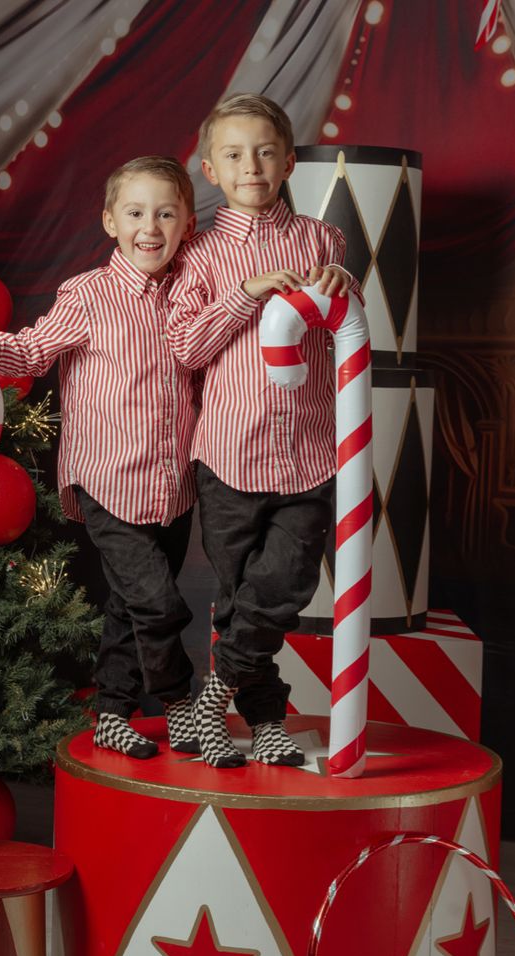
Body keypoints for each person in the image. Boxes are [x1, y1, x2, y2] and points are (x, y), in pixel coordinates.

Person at [0, 156, 204, 762]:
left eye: (166, 213)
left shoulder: (193, 292)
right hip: (108, 479)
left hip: (174, 482)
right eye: (135, 213)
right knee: (157, 603)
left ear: (188, 224)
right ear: (110, 221)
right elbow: (31, 349)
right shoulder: (89, 294)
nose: (150, 227)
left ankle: (111, 712)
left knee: (128, 606)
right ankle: (183, 705)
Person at [167, 93, 362, 769]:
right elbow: (187, 348)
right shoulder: (197, 253)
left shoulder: (322, 240)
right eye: (233, 154)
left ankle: (210, 698)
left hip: (309, 450)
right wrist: (246, 295)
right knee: (242, 600)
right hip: (227, 457)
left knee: (283, 585)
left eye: (264, 151)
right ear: (211, 170)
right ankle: (267, 721)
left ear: (287, 161)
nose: (250, 165)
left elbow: (347, 327)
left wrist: (345, 285)